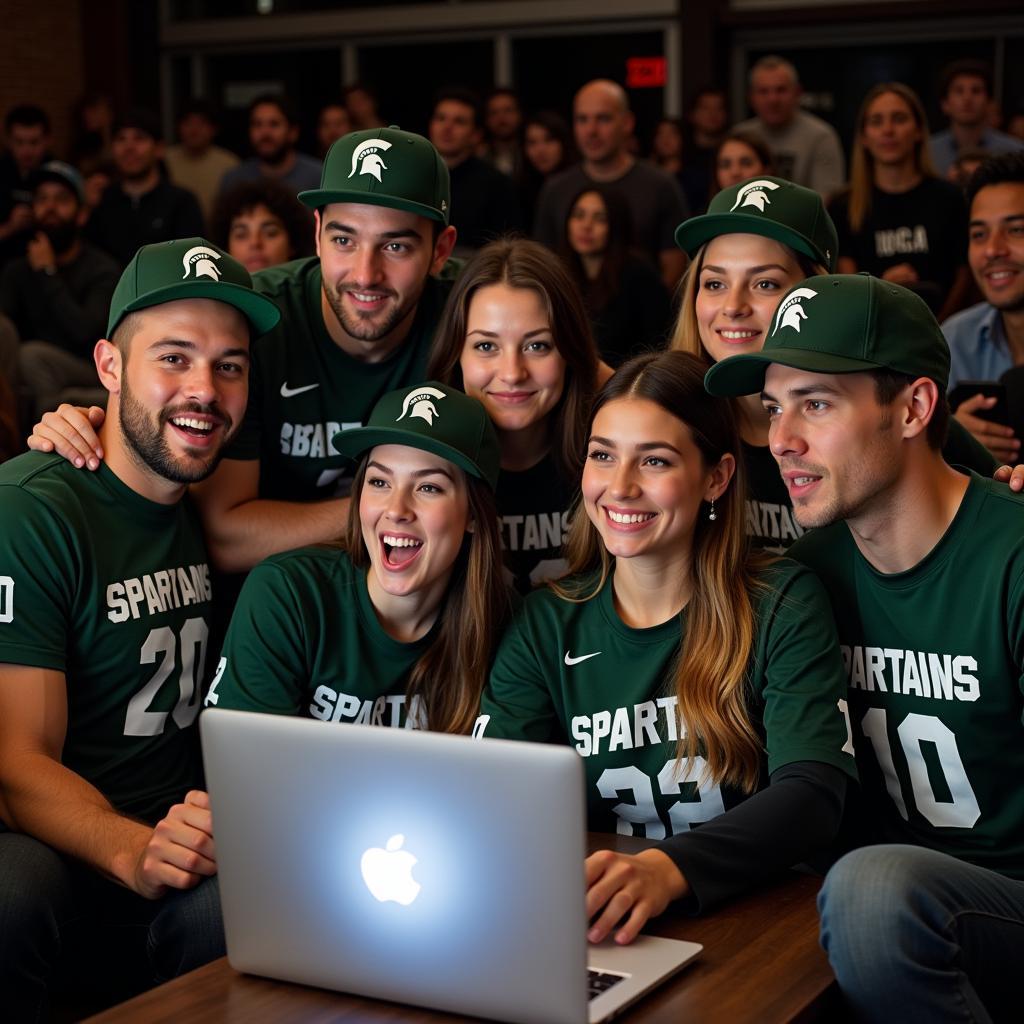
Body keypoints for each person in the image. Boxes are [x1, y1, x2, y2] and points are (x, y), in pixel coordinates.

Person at [705, 273, 1024, 1024]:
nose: (781, 438)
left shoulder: (1009, 559)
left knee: (872, 891)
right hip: (873, 930)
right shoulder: (806, 577)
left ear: (912, 408)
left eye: (816, 403)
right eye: (775, 406)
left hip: (994, 906)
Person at [477, 349, 857, 939]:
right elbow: (495, 804)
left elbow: (812, 797)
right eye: (603, 456)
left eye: (654, 461)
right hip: (600, 917)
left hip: (757, 921)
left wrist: (666, 870)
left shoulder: (781, 600)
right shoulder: (545, 623)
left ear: (717, 477)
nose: (621, 487)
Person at [0, 237, 280, 1018]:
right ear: (111, 366)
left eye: (230, 365)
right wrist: (134, 848)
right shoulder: (35, 509)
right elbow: (16, 766)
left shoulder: (205, 501)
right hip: (70, 848)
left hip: (181, 841)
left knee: (242, 901)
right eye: (174, 358)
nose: (205, 389)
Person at [26, 127, 460, 578]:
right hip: (282, 590)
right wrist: (392, 514)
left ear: (440, 250)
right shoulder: (257, 323)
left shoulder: (474, 315)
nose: (365, 274)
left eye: (396, 246)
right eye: (344, 240)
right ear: (316, 234)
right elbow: (227, 535)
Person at [672, 175, 1000, 553]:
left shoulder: (887, 416)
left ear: (819, 293)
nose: (732, 306)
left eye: (765, 284)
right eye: (714, 284)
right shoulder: (673, 413)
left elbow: (997, 494)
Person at [207, 381, 512, 733]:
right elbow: (247, 767)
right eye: (379, 482)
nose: (396, 510)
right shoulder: (286, 595)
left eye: (429, 487)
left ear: (474, 514)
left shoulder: (507, 627)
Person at [427, 238, 602, 592]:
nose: (512, 372)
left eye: (537, 345)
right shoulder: (426, 468)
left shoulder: (609, 463)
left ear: (569, 352)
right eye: (486, 346)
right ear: (455, 353)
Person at [829, 83, 971, 320]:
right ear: (864, 136)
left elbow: (964, 277)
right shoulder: (843, 206)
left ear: (918, 131)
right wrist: (881, 289)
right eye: (876, 121)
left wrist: (941, 329)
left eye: (899, 119)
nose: (888, 130)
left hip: (946, 332)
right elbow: (846, 289)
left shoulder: (951, 199)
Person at [533, 79, 689, 293]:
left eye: (603, 119)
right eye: (582, 120)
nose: (591, 130)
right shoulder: (555, 189)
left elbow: (674, 268)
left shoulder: (660, 185)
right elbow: (543, 267)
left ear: (627, 123)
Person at [0, 160, 120, 419]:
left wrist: (48, 274)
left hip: (87, 364)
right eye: (42, 200)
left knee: (32, 356)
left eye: (61, 200)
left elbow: (85, 334)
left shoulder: (102, 269)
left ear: (81, 214)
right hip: (27, 370)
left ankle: (49, 443)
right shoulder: (18, 270)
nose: (50, 208)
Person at [943, 152, 1024, 463]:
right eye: (979, 235)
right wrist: (949, 439)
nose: (993, 250)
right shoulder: (953, 340)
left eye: (1015, 229)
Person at [561, 185, 671, 368]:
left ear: (616, 225)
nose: (586, 226)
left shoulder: (640, 275)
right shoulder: (560, 271)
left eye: (600, 219)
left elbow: (657, 347)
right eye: (578, 215)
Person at [85, 108, 204, 267]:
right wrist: (86, 209)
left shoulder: (181, 202)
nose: (129, 148)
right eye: (121, 139)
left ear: (159, 149)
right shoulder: (103, 201)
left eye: (139, 138)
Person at [733, 56, 845, 199]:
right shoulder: (739, 136)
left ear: (797, 93)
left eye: (781, 90)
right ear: (751, 97)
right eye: (763, 91)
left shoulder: (821, 136)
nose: (773, 99)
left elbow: (827, 199)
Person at [428, 88, 521, 253]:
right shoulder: (414, 176)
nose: (447, 127)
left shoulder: (496, 184)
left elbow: (506, 248)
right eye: (441, 118)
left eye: (459, 121)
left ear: (476, 134)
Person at [929, 59, 1024, 178]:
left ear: (989, 102)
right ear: (945, 104)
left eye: (976, 91)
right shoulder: (927, 153)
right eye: (959, 91)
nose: (967, 98)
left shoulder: (1015, 152)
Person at [218, 94, 322, 197]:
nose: (264, 132)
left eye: (274, 124)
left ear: (293, 132)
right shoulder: (234, 181)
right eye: (257, 124)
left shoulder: (319, 177)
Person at [209, 179, 313, 274]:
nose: (255, 243)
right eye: (241, 235)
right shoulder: (208, 294)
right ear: (226, 248)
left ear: (293, 244)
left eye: (270, 233)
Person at [164, 99, 240, 226]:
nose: (194, 130)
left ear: (213, 129)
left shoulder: (229, 163)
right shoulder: (165, 160)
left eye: (201, 123)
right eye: (188, 123)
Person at [0, 104, 53, 267]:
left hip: (49, 262)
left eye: (34, 142)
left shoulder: (56, 173)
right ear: (8, 141)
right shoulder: (2, 171)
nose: (27, 150)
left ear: (47, 141)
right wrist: (10, 227)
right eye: (19, 142)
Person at [520, 110, 575, 227]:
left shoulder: (576, 183)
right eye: (532, 142)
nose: (540, 150)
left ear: (563, 142)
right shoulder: (521, 188)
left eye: (549, 140)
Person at [480, 88, 524, 180]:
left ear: (519, 114)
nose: (501, 118)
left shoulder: (531, 155)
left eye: (508, 110)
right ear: (487, 119)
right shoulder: (479, 157)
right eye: (494, 112)